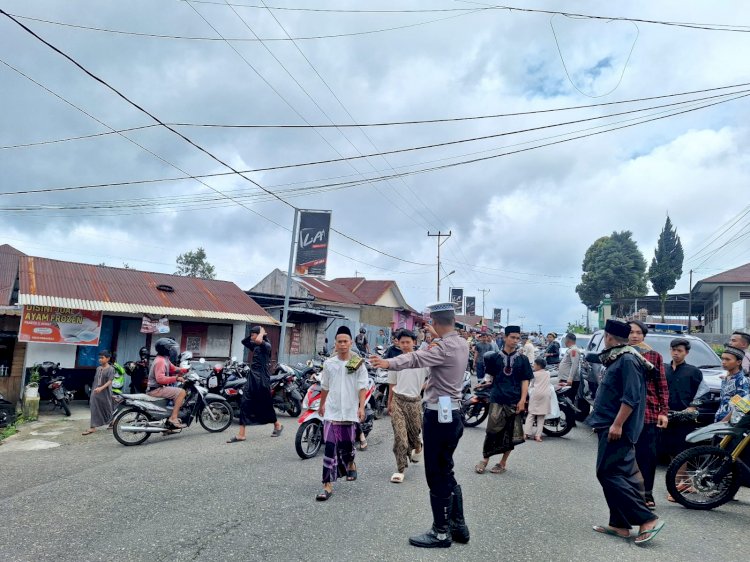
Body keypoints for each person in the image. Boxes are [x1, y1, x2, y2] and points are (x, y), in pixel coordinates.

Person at [370, 302, 470, 549]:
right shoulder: (460, 343)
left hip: (439, 416)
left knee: (436, 474)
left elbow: (417, 358)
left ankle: (440, 532)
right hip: (453, 411)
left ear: (435, 323)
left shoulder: (443, 348)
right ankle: (459, 526)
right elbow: (430, 351)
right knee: (446, 470)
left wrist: (388, 363)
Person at [587, 319, 664, 546]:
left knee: (607, 473)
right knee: (618, 473)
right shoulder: (619, 357)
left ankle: (647, 519)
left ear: (609, 337)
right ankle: (619, 525)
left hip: (618, 429)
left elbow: (631, 397)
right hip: (608, 425)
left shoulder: (628, 360)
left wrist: (617, 424)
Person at [315, 326, 369, 501]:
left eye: (346, 341)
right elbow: (325, 387)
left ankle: (351, 463)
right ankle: (326, 485)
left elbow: (362, 386)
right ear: (335, 344)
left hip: (349, 412)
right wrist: (322, 405)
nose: (343, 344)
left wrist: (361, 407)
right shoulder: (329, 364)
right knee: (330, 446)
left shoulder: (357, 362)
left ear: (351, 343)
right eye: (340, 341)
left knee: (347, 447)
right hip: (332, 411)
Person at [474, 325, 532, 475]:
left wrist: (522, 400)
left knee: (510, 432)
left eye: (517, 338)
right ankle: (485, 458)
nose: (515, 341)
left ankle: (502, 462)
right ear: (505, 337)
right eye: (512, 337)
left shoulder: (523, 359)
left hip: (514, 399)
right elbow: (491, 377)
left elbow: (525, 380)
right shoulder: (494, 358)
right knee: (492, 430)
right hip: (497, 398)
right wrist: (485, 386)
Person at [628, 320, 669, 510]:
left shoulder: (654, 356)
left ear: (644, 335)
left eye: (638, 332)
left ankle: (647, 494)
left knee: (647, 456)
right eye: (631, 332)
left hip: (649, 413)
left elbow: (662, 385)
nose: (634, 336)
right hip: (625, 414)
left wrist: (664, 412)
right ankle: (627, 491)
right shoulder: (621, 354)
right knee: (625, 455)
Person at [663, 338, 708, 502]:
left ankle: (677, 485)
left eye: (680, 350)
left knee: (681, 451)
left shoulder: (693, 371)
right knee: (670, 449)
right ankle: (686, 482)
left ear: (686, 353)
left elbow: (703, 392)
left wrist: (692, 407)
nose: (676, 353)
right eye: (673, 349)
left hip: (685, 418)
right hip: (666, 416)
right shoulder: (664, 369)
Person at [386, 330, 429, 483]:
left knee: (414, 434)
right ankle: (400, 469)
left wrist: (423, 386)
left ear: (414, 342)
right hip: (398, 401)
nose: (405, 345)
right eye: (402, 342)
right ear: (397, 342)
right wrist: (389, 402)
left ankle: (418, 446)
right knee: (401, 438)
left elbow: (436, 375)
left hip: (415, 402)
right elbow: (392, 384)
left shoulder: (422, 360)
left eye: (408, 342)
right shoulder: (395, 361)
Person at [228, 326, 282, 443]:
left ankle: (277, 425)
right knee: (245, 402)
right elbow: (244, 341)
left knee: (265, 404)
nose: (251, 337)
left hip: (262, 379)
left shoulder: (266, 345)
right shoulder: (256, 346)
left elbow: (258, 340)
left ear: (259, 335)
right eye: (251, 334)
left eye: (253, 334)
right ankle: (241, 434)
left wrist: (261, 333)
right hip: (252, 378)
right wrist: (255, 334)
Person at [146, 337, 187, 429]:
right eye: (170, 347)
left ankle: (169, 421)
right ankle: (173, 418)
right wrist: (176, 378)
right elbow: (160, 379)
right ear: (165, 349)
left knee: (177, 391)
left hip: (158, 388)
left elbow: (173, 368)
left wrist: (185, 370)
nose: (171, 350)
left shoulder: (164, 359)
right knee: (181, 392)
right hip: (156, 389)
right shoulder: (160, 361)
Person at [82, 350, 116, 435]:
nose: (100, 359)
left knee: (107, 408)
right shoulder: (98, 368)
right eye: (99, 358)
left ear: (108, 358)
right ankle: (92, 427)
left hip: (105, 392)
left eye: (102, 358)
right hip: (95, 391)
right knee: (93, 407)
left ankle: (112, 421)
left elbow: (110, 381)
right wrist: (94, 389)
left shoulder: (111, 369)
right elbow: (96, 380)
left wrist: (101, 388)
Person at [714, 345, 750, 423]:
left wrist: (724, 421)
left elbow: (742, 406)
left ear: (738, 362)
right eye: (722, 358)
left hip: (731, 425)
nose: (723, 362)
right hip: (719, 420)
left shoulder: (742, 380)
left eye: (727, 359)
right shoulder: (726, 378)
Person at [524, 358, 552, 442]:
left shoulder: (534, 374)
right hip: (546, 395)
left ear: (538, 366)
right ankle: (538, 436)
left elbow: (531, 385)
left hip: (536, 395)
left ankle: (526, 434)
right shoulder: (548, 373)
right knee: (541, 416)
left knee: (531, 414)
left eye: (534, 365)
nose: (533, 366)